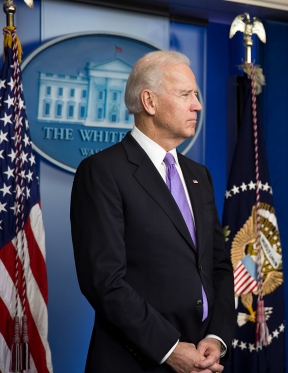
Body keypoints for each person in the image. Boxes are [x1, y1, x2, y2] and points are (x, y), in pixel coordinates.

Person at [70, 50, 235, 373]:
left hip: (203, 360)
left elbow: (218, 264)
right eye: (185, 94)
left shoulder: (198, 174)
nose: (197, 105)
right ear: (149, 101)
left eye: (196, 95)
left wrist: (216, 337)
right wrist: (170, 349)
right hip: (135, 361)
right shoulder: (102, 171)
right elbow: (104, 281)